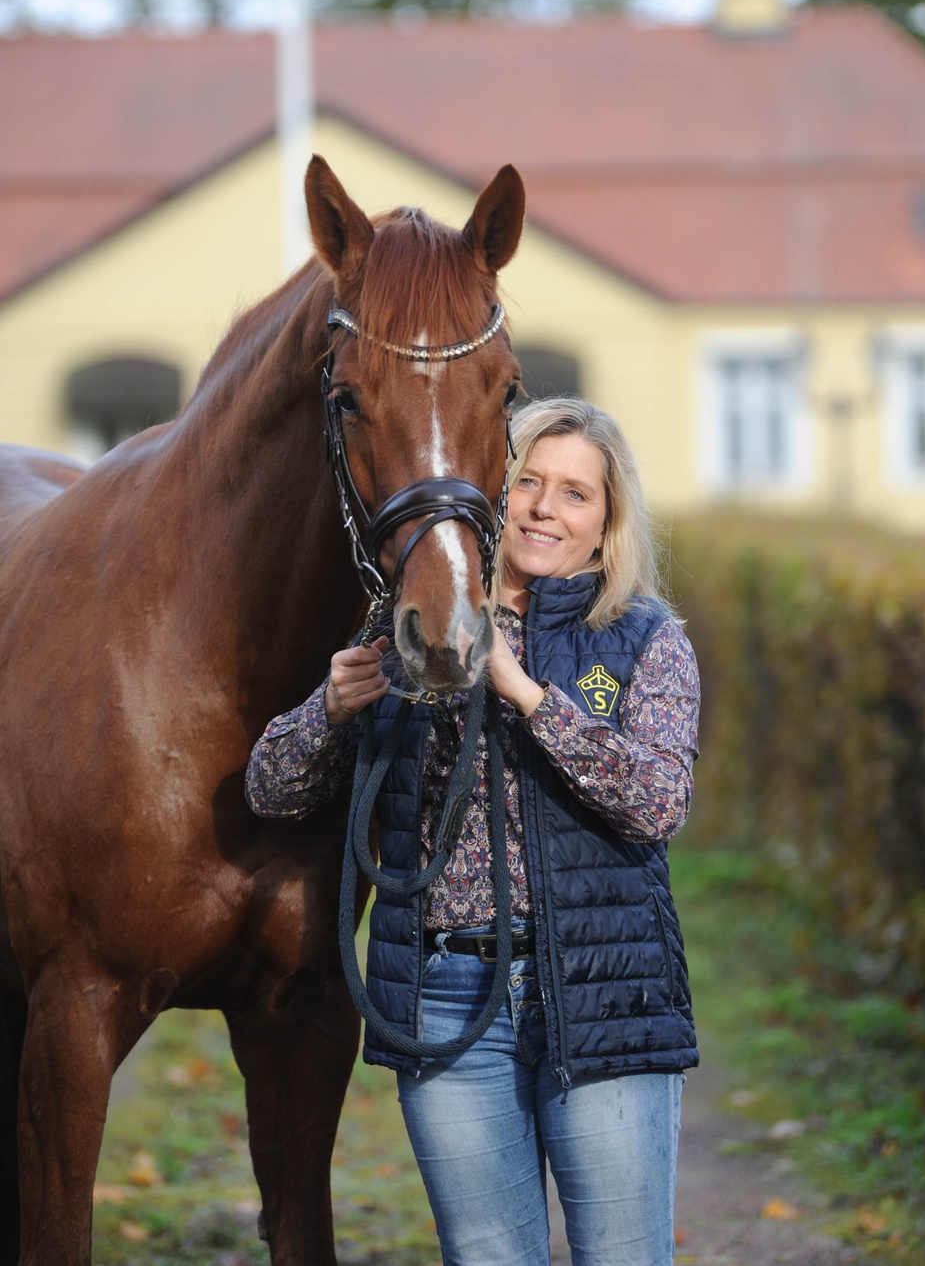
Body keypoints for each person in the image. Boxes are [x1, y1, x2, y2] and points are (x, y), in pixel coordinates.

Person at [245, 397, 700, 1266]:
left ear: (606, 526)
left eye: (574, 494)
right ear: (491, 490)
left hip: (605, 989)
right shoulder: (409, 630)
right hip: (448, 993)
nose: (541, 506)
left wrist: (524, 691)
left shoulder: (646, 640)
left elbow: (656, 799)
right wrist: (330, 711)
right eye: (526, 480)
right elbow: (271, 786)